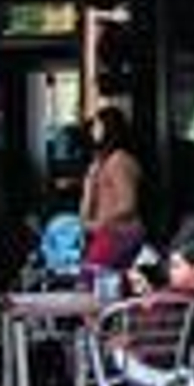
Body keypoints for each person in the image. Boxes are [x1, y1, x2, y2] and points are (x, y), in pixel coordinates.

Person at [79, 106, 144, 270]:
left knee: (92, 275)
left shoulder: (118, 160)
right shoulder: (101, 161)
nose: (93, 129)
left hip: (119, 233)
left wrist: (99, 223)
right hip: (108, 233)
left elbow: (128, 203)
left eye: (97, 125)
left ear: (109, 127)